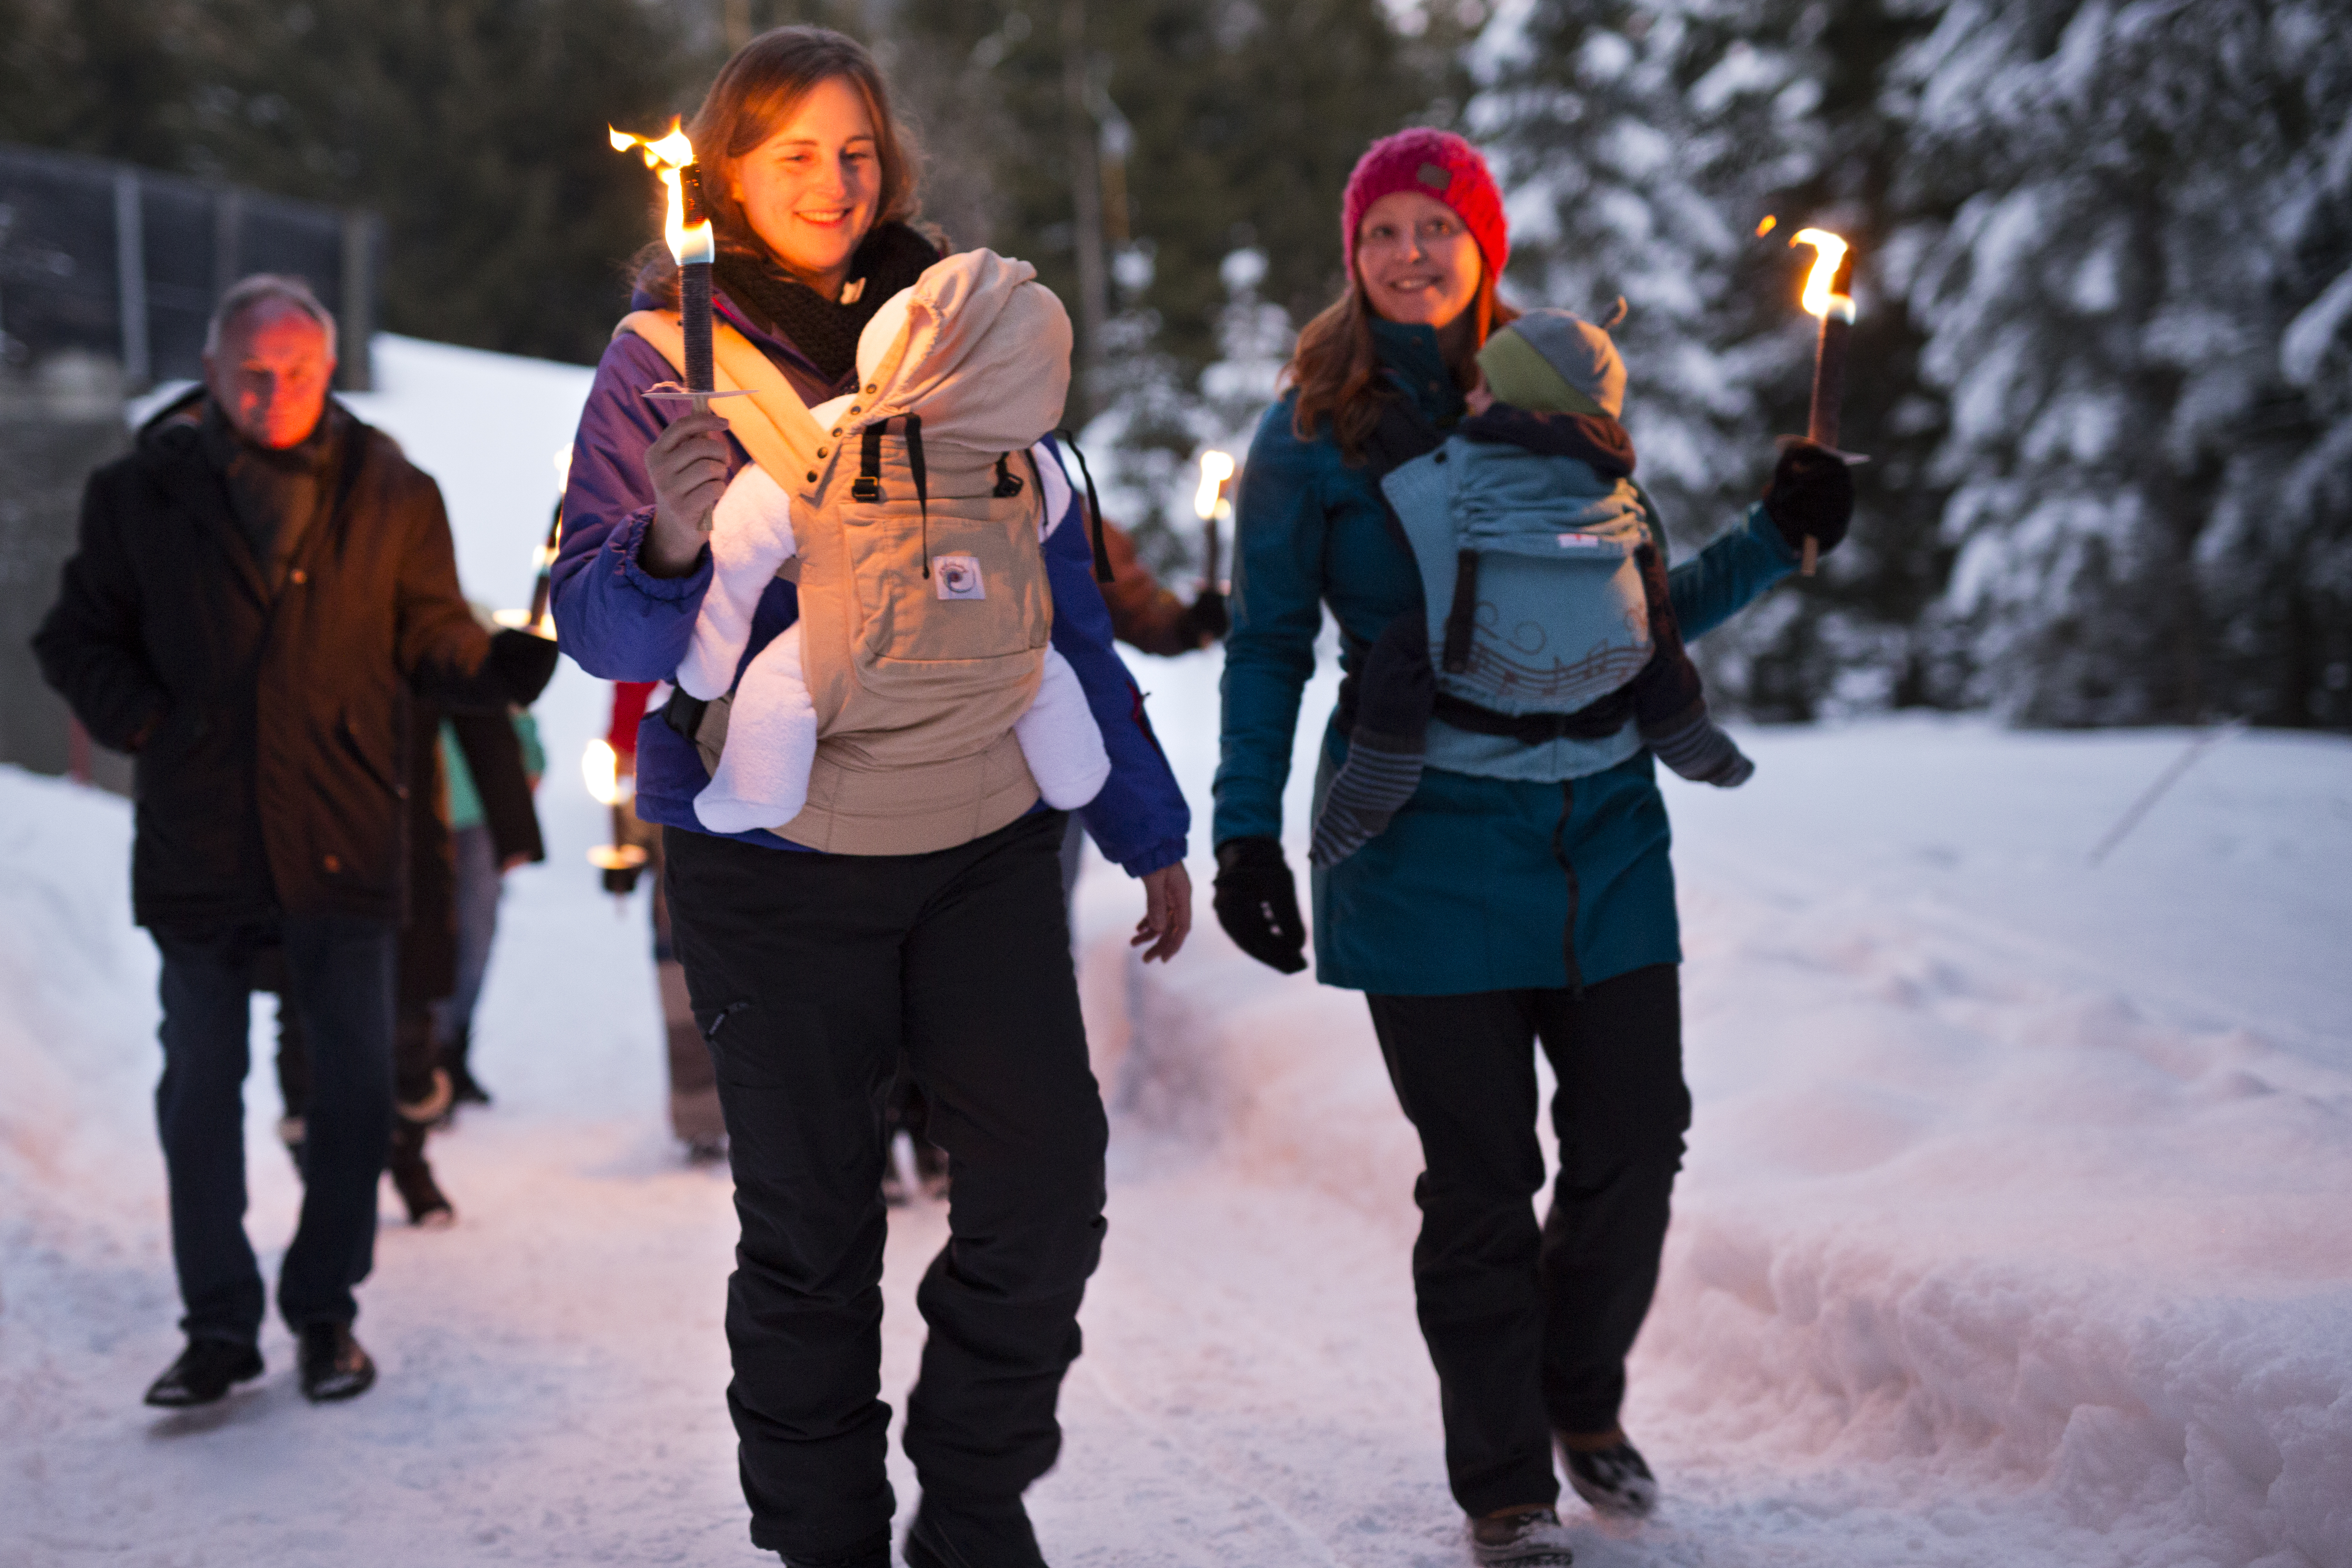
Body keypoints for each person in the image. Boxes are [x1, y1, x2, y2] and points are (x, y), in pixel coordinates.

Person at [549, 29, 1190, 1568]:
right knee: (812, 1231)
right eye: (793, 156)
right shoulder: (661, 363)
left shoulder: (966, 331)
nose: (834, 183)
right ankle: (825, 1537)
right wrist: (676, 542)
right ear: (729, 173)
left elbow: (1059, 604)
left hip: (979, 840)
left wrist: (1146, 821)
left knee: (1044, 1184)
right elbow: (597, 624)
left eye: (855, 151)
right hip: (772, 867)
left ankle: (971, 1503)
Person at [1210, 128, 1852, 1566]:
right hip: (1419, 844)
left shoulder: (1563, 387)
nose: (1412, 253)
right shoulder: (1307, 431)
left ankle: (1577, 1391)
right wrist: (1243, 832)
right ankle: (1503, 1485)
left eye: (1440, 227)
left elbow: (1637, 617)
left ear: (1484, 245)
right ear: (1352, 250)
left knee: (1638, 1137)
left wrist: (1777, 534)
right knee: (1481, 1179)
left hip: (1601, 834)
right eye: (1385, 231)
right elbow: (1264, 649)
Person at [32, 274, 559, 1408]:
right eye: (254, 373)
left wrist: (492, 664)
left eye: (300, 372)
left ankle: (327, 1311)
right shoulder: (139, 494)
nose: (277, 394)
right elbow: (72, 635)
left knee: (358, 1087)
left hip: (341, 826)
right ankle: (218, 1323)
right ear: (213, 374)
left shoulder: (391, 488)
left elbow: (425, 630)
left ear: (329, 371)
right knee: (199, 1088)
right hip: (203, 840)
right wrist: (149, 724)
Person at [1309, 307, 1752, 869]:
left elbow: (1406, 523)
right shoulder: (1620, 489)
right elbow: (1654, 579)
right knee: (1656, 630)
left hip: (1476, 662)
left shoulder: (1459, 462)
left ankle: (1371, 792)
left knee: (1400, 652)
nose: (1470, 399)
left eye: (1485, 387)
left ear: (1522, 396)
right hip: (1609, 667)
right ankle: (1690, 742)